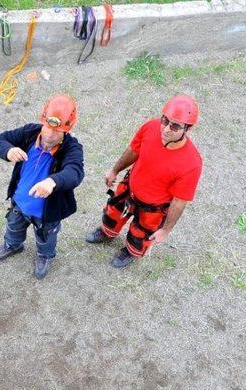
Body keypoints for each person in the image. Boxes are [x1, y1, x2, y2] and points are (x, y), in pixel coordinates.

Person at [85, 95, 203, 267]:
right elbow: (134, 150)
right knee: (112, 214)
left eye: (175, 125)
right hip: (129, 188)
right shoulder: (150, 127)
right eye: (165, 120)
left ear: (187, 128)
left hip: (153, 208)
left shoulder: (191, 163)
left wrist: (165, 230)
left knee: (140, 236)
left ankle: (130, 251)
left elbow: (179, 202)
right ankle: (107, 232)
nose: (165, 129)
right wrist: (114, 170)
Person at [0, 94, 84, 279]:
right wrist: (7, 150)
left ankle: (44, 256)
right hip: (19, 204)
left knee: (46, 238)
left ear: (67, 129)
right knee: (13, 228)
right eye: (47, 127)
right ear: (43, 120)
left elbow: (75, 172)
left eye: (57, 131)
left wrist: (52, 181)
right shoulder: (29, 132)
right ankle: (12, 246)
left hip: (47, 214)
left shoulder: (72, 148)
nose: (49, 135)